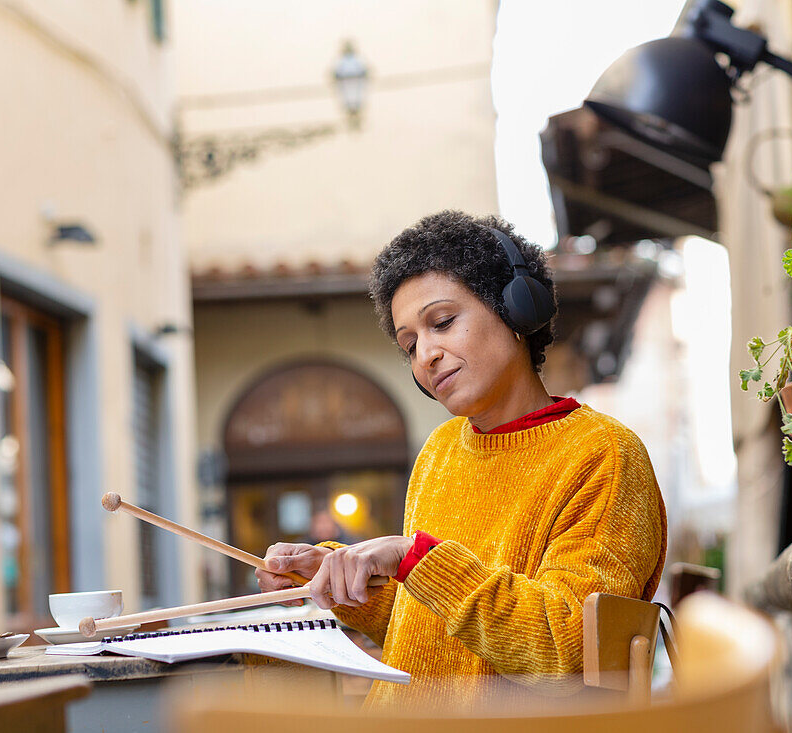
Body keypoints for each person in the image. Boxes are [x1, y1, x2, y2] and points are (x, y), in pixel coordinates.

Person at [255, 210, 667, 709]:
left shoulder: (604, 454)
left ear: (517, 310)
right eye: (409, 345)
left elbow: (567, 652)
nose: (425, 355)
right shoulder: (440, 450)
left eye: (443, 323)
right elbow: (438, 636)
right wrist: (343, 583)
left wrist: (418, 558)